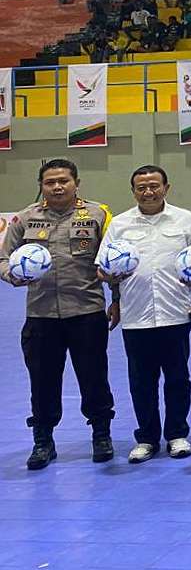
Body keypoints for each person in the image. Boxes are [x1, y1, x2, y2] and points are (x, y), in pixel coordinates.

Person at [0, 159, 116, 469]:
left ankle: (101, 434)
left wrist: (116, 298)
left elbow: (114, 260)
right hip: (41, 316)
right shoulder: (25, 218)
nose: (57, 186)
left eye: (63, 180)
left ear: (77, 182)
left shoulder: (96, 215)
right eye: (50, 182)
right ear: (42, 185)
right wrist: (13, 276)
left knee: (94, 377)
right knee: (42, 380)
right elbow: (2, 258)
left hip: (87, 311)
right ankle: (43, 441)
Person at [99, 166, 191, 463]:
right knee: (141, 381)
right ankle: (146, 438)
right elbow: (104, 269)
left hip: (176, 313)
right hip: (136, 315)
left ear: (166, 187)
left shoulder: (184, 219)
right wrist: (114, 295)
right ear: (133, 191)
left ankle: (177, 434)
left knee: (178, 378)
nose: (148, 191)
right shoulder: (120, 224)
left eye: (154, 185)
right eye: (141, 187)